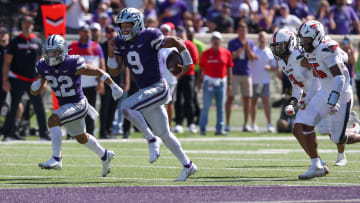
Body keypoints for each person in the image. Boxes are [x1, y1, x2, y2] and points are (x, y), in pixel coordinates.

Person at [108, 8, 197, 181]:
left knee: (126, 107)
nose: (125, 28)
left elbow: (177, 41)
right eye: (122, 25)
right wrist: (111, 52)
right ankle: (188, 165)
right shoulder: (120, 42)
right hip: (146, 92)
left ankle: (150, 139)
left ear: (138, 24)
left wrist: (187, 61)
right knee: (164, 133)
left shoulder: (149, 35)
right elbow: (114, 70)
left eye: (128, 24)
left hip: (158, 87)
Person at [32, 35, 121, 177]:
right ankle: (104, 155)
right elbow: (34, 92)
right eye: (48, 51)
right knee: (81, 137)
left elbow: (97, 71)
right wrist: (35, 85)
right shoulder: (43, 65)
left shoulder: (72, 62)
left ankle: (56, 159)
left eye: (54, 51)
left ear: (62, 51)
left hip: (78, 104)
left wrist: (113, 85)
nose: (51, 55)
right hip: (66, 107)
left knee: (53, 120)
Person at [296, 20, 360, 179]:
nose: (304, 43)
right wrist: (308, 97)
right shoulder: (312, 50)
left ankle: (355, 129)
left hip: (341, 94)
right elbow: (318, 77)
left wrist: (333, 99)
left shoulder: (326, 49)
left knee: (338, 138)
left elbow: (339, 78)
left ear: (316, 37)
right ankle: (316, 164)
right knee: (303, 123)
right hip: (324, 92)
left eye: (306, 39)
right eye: (302, 39)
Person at [2, 16, 49, 141]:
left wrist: (43, 81)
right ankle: (8, 134)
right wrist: (5, 80)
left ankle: (44, 134)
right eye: (24, 23)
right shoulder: (15, 41)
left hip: (33, 80)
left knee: (39, 106)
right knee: (14, 106)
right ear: (21, 25)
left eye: (29, 23)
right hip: (17, 79)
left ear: (32, 25)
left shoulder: (38, 41)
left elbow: (42, 62)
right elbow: (7, 62)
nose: (27, 25)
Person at [69, 24, 106, 136]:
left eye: (88, 31)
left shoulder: (96, 46)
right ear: (80, 33)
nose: (87, 34)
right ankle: (72, 133)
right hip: (77, 85)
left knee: (91, 109)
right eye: (84, 31)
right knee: (74, 110)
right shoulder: (73, 46)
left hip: (91, 84)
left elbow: (101, 65)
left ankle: (90, 133)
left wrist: (101, 82)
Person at [197, 31, 233, 135]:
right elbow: (201, 69)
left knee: (220, 106)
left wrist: (230, 83)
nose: (215, 41)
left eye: (217, 39)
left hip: (221, 82)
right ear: (211, 41)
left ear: (220, 41)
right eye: (214, 39)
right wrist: (199, 82)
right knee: (206, 106)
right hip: (209, 82)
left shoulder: (226, 53)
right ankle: (202, 128)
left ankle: (219, 128)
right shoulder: (206, 53)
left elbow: (229, 68)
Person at [226, 22, 258, 132]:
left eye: (244, 30)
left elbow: (252, 57)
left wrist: (247, 48)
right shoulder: (232, 43)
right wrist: (240, 49)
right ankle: (227, 124)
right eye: (240, 30)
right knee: (230, 98)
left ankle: (246, 124)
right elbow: (230, 57)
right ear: (237, 31)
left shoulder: (251, 43)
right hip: (234, 73)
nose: (242, 32)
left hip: (246, 73)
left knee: (247, 99)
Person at [100, 25, 130, 139]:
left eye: (112, 31)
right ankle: (103, 131)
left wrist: (126, 80)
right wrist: (101, 80)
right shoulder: (102, 46)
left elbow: (126, 64)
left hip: (119, 79)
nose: (111, 34)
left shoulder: (121, 45)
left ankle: (110, 129)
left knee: (114, 106)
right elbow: (101, 64)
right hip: (107, 80)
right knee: (105, 106)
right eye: (108, 32)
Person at [173, 26, 198, 134]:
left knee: (189, 99)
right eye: (178, 34)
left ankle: (191, 122)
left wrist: (183, 67)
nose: (180, 36)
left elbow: (195, 60)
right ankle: (178, 123)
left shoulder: (190, 45)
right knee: (178, 100)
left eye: (182, 34)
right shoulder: (173, 46)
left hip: (188, 75)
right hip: (176, 76)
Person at [250, 31, 276, 132]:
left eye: (264, 38)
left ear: (266, 40)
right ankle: (253, 124)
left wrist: (269, 68)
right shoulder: (254, 51)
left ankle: (269, 124)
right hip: (254, 81)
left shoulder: (269, 52)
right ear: (258, 39)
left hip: (265, 81)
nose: (262, 39)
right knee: (254, 102)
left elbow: (274, 67)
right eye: (260, 37)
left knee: (266, 102)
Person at [159, 23, 178, 130]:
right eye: (163, 31)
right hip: (159, 80)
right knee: (159, 105)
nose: (164, 33)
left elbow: (180, 65)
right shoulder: (156, 47)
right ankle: (160, 127)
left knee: (169, 103)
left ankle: (169, 126)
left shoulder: (173, 49)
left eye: (166, 31)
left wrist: (176, 76)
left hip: (170, 80)